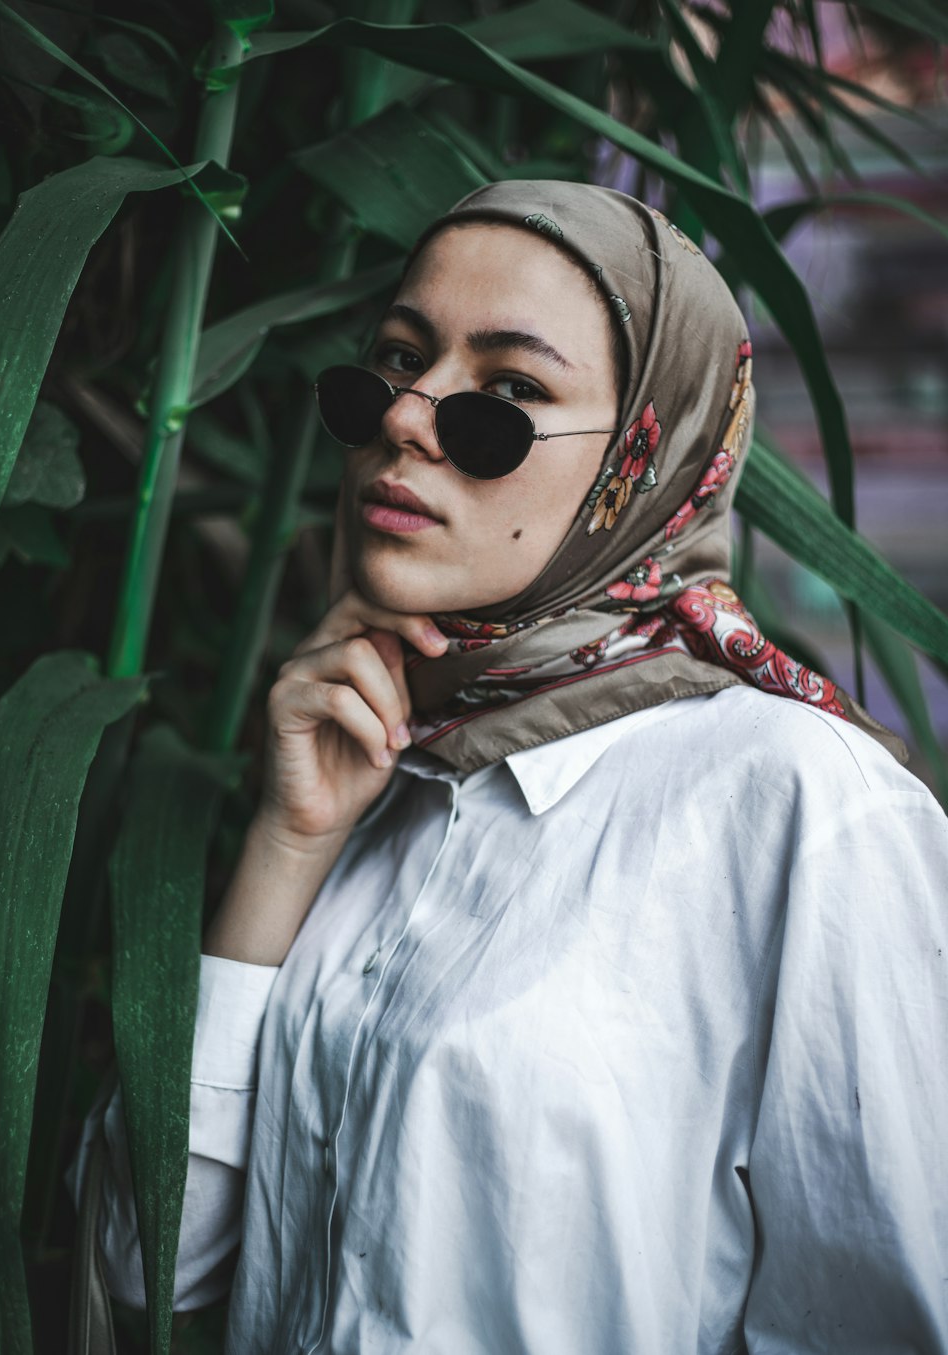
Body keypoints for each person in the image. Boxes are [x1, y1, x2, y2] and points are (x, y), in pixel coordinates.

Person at [74, 181, 948, 1354]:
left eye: (509, 394)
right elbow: (141, 1265)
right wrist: (288, 848)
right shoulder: (376, 774)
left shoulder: (798, 801)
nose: (405, 418)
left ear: (648, 453)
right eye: (395, 361)